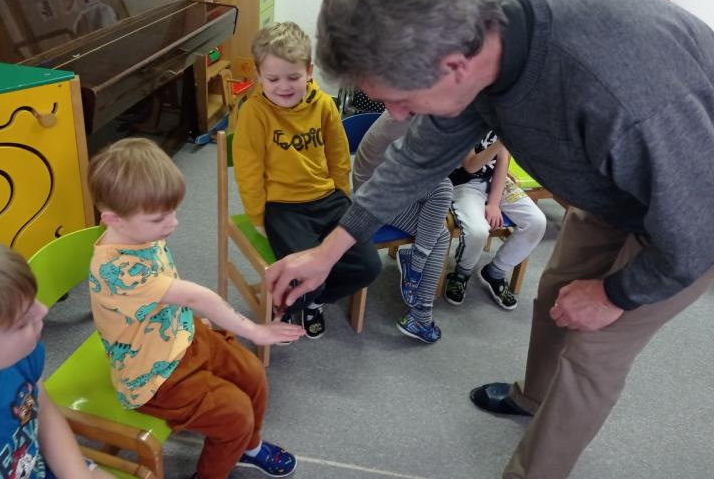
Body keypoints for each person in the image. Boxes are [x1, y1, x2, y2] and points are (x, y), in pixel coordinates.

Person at [265, 0, 714, 478]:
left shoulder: (621, 93)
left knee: (594, 350)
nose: (394, 113)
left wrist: (614, 294)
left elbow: (702, 228)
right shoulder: (477, 35)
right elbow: (412, 163)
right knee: (557, 291)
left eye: (400, 100)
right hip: (616, 185)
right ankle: (533, 397)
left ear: (452, 67)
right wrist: (327, 253)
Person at [87, 138, 304, 479]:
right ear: (113, 219)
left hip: (182, 335)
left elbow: (169, 292)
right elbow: (197, 297)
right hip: (152, 376)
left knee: (252, 374)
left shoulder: (141, 234)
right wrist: (256, 331)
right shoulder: (120, 270)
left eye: (173, 211)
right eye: (160, 218)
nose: (173, 223)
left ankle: (248, 448)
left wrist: (190, 321)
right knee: (236, 415)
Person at [233, 21, 380, 339]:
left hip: (329, 199)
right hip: (283, 207)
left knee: (369, 267)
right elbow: (248, 170)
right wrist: (258, 217)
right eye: (273, 79)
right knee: (301, 277)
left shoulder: (324, 105)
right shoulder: (254, 112)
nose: (283, 87)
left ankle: (316, 300)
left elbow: (338, 155)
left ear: (309, 71)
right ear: (259, 76)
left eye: (293, 77)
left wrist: (343, 195)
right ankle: (304, 301)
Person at [0, 231, 114, 479]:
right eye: (22, 322)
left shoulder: (19, 358)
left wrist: (76, 472)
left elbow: (43, 411)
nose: (43, 311)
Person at [352, 110, 451, 343]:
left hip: (392, 186)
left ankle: (415, 268)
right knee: (440, 233)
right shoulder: (400, 124)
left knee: (442, 194)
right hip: (374, 197)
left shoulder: (413, 113)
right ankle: (420, 313)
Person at [445, 131, 546, 309]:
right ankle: (462, 273)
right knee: (477, 231)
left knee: (537, 221)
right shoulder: (462, 118)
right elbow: (470, 165)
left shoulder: (504, 118)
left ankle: (495, 272)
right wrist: (501, 142)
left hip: (497, 180)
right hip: (464, 183)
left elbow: (503, 159)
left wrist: (493, 202)